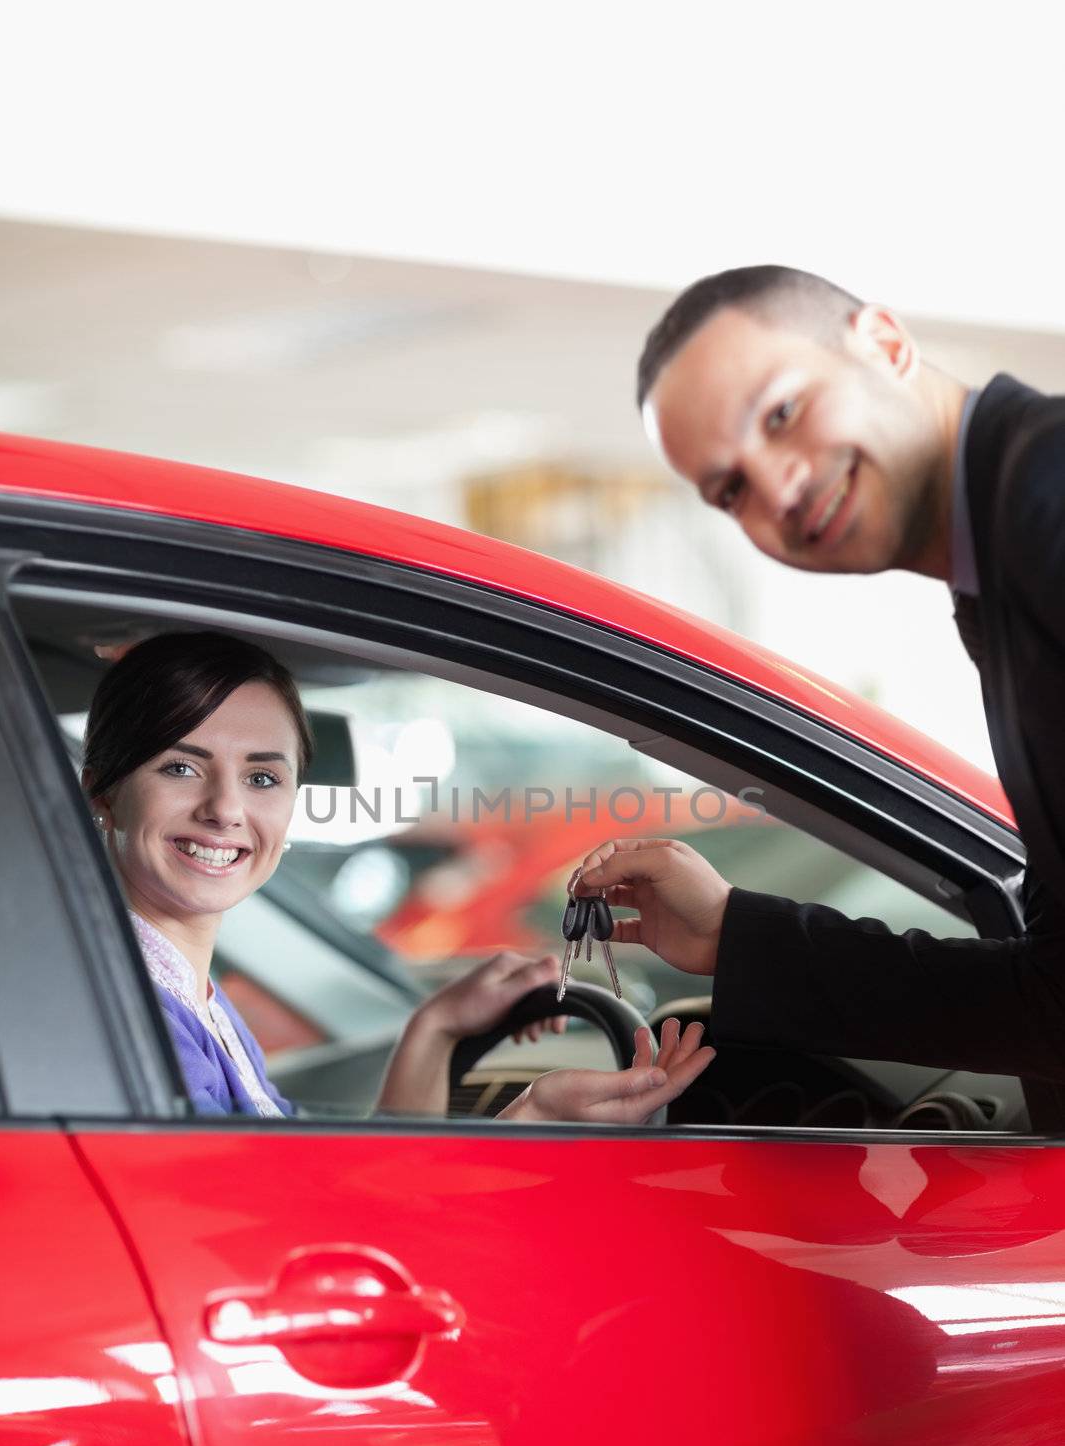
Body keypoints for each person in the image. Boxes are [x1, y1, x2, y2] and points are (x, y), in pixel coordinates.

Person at [574, 265, 1065, 1080]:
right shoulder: (1001, 569)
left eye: (782, 413)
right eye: (730, 490)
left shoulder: (1045, 493)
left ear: (885, 344)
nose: (778, 487)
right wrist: (732, 936)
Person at [82, 629, 713, 1120]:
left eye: (263, 778)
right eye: (180, 768)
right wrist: (533, 1112)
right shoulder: (138, 1022)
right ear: (103, 791)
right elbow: (296, 1225)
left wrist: (436, 1029)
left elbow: (322, 1181)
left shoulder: (185, 998)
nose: (224, 809)